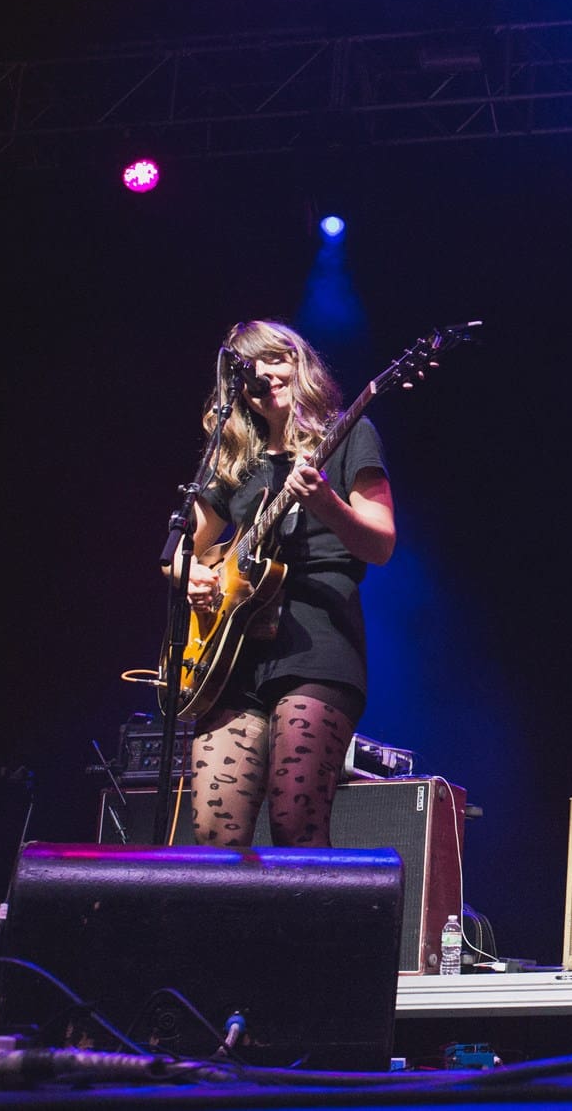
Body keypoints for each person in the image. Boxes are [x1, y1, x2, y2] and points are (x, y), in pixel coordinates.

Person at [170, 320, 394, 848]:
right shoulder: (234, 462)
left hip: (319, 649)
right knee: (213, 837)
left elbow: (381, 543)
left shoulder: (350, 435)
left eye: (276, 359)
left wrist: (326, 503)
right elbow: (180, 550)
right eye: (250, 367)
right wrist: (191, 574)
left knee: (297, 821)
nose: (265, 374)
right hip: (231, 660)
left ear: (300, 364)